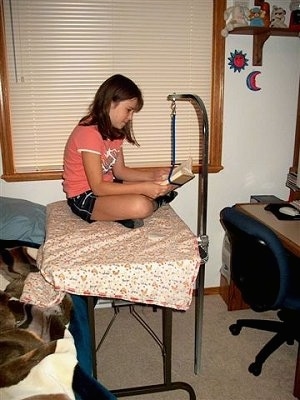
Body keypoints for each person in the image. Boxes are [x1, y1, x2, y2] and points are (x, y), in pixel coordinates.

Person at [63, 74, 177, 229]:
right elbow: (98, 187)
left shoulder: (115, 131)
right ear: (111, 103)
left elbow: (120, 171)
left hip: (107, 186)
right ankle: (155, 202)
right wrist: (143, 188)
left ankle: (134, 207)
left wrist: (153, 175)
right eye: (128, 110)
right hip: (84, 196)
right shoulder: (88, 133)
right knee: (142, 206)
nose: (130, 118)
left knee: (165, 181)